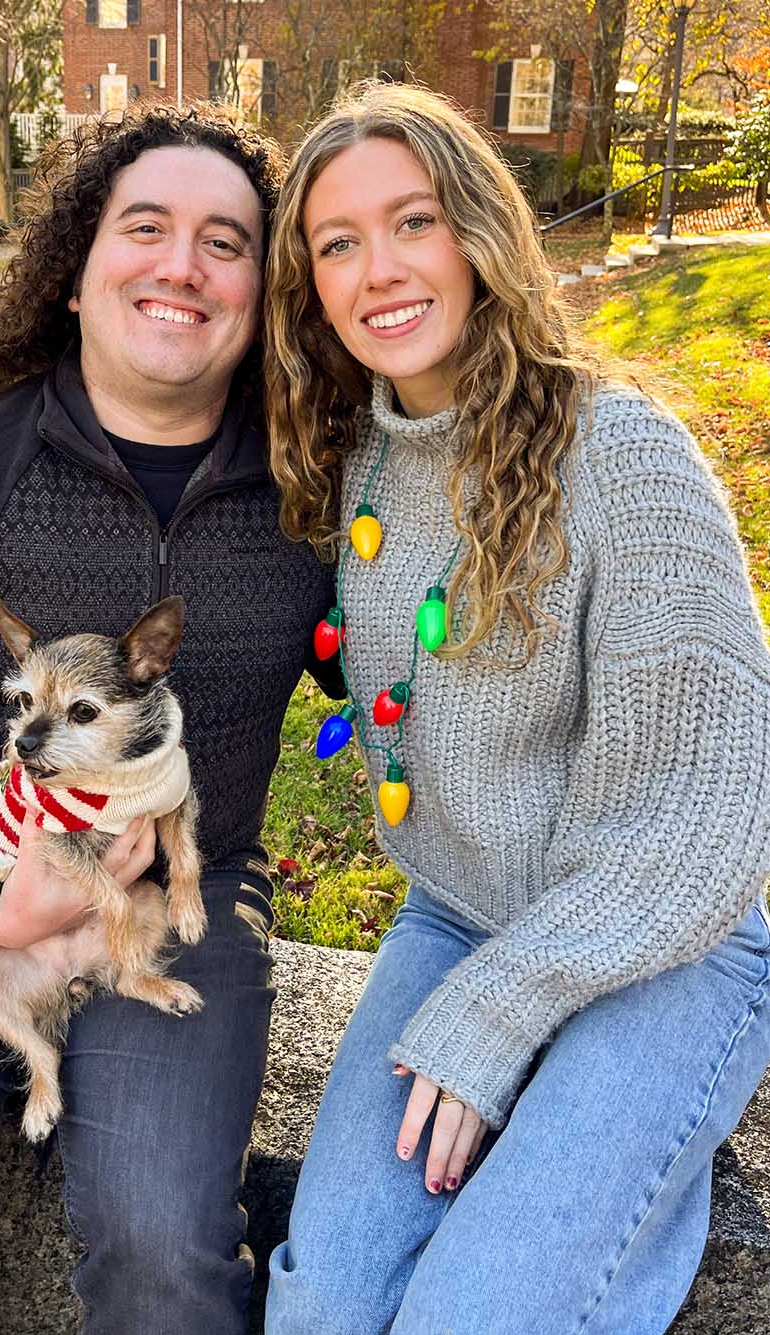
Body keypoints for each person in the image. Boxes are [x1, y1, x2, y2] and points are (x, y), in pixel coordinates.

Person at [0, 103, 338, 1334]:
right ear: (76, 274)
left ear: (263, 292)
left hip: (174, 902)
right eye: (145, 226)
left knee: (160, 1253)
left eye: (225, 241)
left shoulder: (318, 497)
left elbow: (426, 642)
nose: (181, 265)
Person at [261, 82, 770, 1335]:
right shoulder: (358, 458)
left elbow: (709, 817)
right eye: (336, 242)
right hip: (457, 916)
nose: (378, 268)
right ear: (309, 285)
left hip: (669, 944)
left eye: (412, 221)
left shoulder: (622, 458)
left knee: (475, 1316)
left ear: (478, 234)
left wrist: (500, 1013)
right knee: (322, 1302)